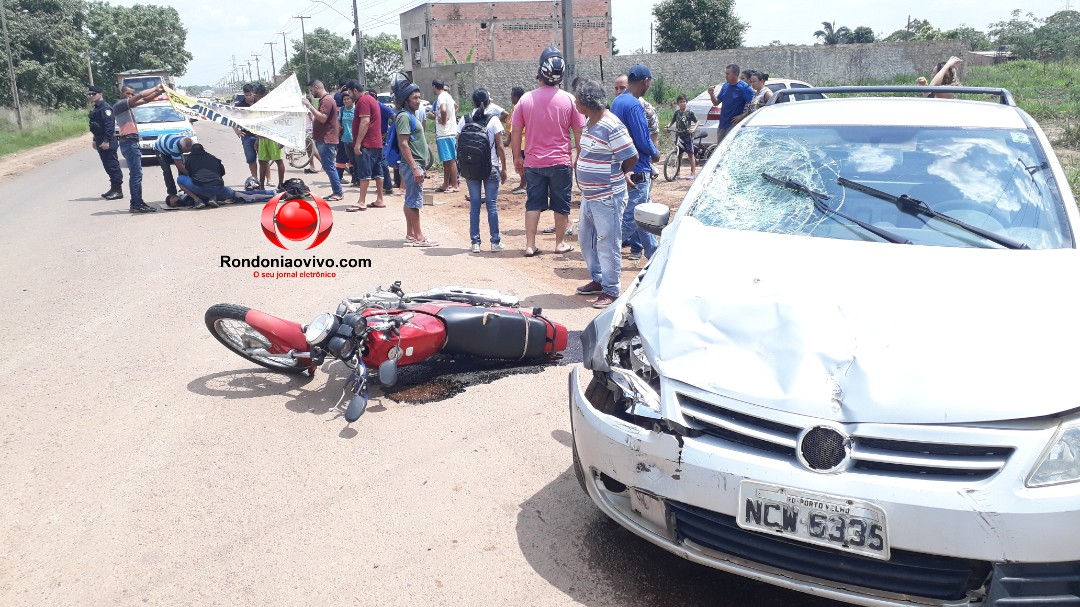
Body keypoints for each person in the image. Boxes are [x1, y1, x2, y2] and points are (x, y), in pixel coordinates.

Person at [511, 46, 585, 257]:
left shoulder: (525, 100)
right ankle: (559, 243)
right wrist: (579, 156)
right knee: (561, 203)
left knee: (533, 203)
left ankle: (530, 244)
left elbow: (517, 132)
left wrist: (517, 157)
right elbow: (578, 131)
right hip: (561, 162)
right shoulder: (569, 99)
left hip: (533, 163)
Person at [573, 79, 639, 309]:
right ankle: (599, 279)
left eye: (577, 98)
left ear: (587, 102)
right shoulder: (589, 121)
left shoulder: (612, 125)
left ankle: (611, 289)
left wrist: (627, 173)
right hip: (590, 195)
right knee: (586, 238)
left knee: (608, 242)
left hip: (608, 196)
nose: (574, 101)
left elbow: (631, 155)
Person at [611, 64, 660, 262]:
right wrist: (655, 154)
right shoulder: (633, 104)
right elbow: (642, 139)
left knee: (643, 216)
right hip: (638, 168)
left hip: (624, 166)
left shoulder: (618, 102)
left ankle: (654, 255)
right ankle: (604, 253)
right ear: (645, 81)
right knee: (631, 217)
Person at [393, 78, 437, 247]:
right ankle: (419, 237)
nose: (418, 101)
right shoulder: (404, 117)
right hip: (412, 165)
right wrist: (415, 167)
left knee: (410, 199)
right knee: (414, 202)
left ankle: (411, 234)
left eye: (419, 97)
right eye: (415, 98)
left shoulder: (410, 115)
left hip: (414, 165)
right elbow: (403, 143)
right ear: (406, 100)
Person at [463, 88, 507, 253]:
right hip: (491, 167)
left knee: (474, 206)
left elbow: (460, 144)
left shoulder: (465, 119)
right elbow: (500, 147)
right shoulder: (493, 120)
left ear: (472, 102)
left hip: (470, 168)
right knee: (492, 205)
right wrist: (504, 168)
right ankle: (495, 242)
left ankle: (475, 243)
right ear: (489, 102)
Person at [173, 143, 278, 208]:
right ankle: (274, 193)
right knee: (241, 194)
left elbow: (188, 174)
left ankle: (197, 200)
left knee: (180, 179)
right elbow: (222, 173)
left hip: (200, 188)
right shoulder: (213, 158)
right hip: (219, 188)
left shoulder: (190, 159)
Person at [113, 83, 166, 213]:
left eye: (132, 94)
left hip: (132, 141)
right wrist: (156, 88)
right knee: (136, 175)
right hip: (129, 142)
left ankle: (138, 202)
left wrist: (160, 93)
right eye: (128, 94)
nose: (131, 96)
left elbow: (146, 99)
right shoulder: (120, 105)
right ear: (121, 93)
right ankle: (136, 204)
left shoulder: (128, 106)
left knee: (137, 174)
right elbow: (142, 95)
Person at [346, 83, 387, 211]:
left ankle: (361, 201)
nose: (349, 95)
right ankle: (380, 199)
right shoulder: (371, 99)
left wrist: (358, 143)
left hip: (367, 144)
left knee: (364, 173)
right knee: (378, 172)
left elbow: (365, 121)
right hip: (376, 143)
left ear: (354, 90)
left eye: (350, 93)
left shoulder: (363, 101)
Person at [302, 79, 344, 201]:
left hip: (327, 138)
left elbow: (323, 118)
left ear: (316, 87)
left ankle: (338, 192)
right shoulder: (325, 100)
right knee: (328, 165)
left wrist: (309, 106)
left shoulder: (326, 100)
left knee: (329, 166)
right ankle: (337, 191)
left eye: (311, 90)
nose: (311, 93)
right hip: (324, 138)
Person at [87, 85, 123, 200]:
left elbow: (109, 126)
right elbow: (96, 127)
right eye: (90, 94)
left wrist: (106, 141)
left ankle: (118, 190)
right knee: (107, 166)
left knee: (113, 166)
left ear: (100, 94)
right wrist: (94, 140)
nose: (92, 96)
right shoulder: (97, 108)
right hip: (99, 139)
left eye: (94, 94)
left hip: (107, 141)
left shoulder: (105, 108)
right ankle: (113, 188)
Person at [708, 64, 754, 141]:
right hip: (722, 124)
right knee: (720, 149)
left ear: (736, 74)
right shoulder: (725, 86)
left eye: (728, 74)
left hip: (734, 125)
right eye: (725, 73)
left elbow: (755, 105)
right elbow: (716, 103)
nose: (726, 76)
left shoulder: (744, 88)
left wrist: (742, 116)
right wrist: (711, 94)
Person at [253, 84, 286, 191]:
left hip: (273, 137)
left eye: (259, 96)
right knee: (262, 162)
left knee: (278, 160)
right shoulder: (257, 106)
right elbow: (258, 123)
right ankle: (261, 186)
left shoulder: (274, 105)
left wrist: (281, 138)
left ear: (265, 94)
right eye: (256, 96)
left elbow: (280, 122)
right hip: (262, 138)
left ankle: (281, 184)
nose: (258, 98)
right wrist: (257, 139)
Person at [431, 80, 459, 193]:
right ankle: (446, 184)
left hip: (445, 133)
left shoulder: (441, 97)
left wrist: (443, 120)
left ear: (434, 87)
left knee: (450, 159)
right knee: (446, 160)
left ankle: (455, 185)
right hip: (448, 132)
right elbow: (455, 106)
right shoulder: (448, 96)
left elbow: (443, 109)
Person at [666, 94, 699, 179]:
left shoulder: (689, 112)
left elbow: (697, 122)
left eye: (684, 101)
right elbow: (672, 122)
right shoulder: (677, 113)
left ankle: (693, 173)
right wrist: (667, 126)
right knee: (679, 154)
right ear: (678, 104)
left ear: (686, 102)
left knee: (690, 154)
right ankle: (677, 173)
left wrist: (693, 129)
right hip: (679, 135)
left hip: (687, 135)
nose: (682, 103)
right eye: (680, 102)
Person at [153, 133, 193, 201]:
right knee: (167, 171)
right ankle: (172, 193)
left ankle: (184, 191)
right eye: (185, 151)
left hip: (168, 144)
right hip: (161, 150)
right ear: (180, 146)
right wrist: (191, 176)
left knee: (185, 167)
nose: (187, 152)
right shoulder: (174, 147)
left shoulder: (191, 143)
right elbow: (180, 167)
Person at [232, 84, 258, 180]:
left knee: (264, 159)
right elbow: (233, 119)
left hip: (260, 134)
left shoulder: (259, 102)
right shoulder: (239, 106)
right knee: (251, 158)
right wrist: (237, 131)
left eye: (250, 95)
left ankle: (268, 179)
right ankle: (255, 178)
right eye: (246, 95)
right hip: (246, 135)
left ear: (253, 93)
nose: (249, 97)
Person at [506, 86, 527, 194]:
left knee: (521, 163)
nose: (511, 98)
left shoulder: (517, 108)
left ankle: (524, 185)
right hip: (524, 140)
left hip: (521, 141)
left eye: (512, 96)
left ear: (516, 97)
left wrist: (508, 141)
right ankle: (524, 184)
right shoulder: (523, 106)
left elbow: (513, 128)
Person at [376, 92, 397, 194]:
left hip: (382, 139)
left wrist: (388, 131)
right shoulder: (370, 107)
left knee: (382, 162)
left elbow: (394, 117)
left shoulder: (381, 107)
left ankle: (388, 186)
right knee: (377, 163)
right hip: (374, 139)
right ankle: (383, 185)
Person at [338, 90, 357, 185]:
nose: (346, 101)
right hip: (345, 139)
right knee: (351, 160)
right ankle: (355, 177)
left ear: (352, 100)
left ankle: (357, 178)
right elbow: (338, 121)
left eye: (348, 99)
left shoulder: (356, 109)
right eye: (344, 99)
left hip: (356, 140)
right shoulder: (342, 110)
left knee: (357, 160)